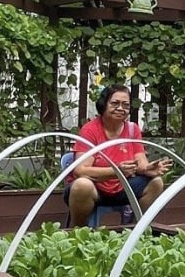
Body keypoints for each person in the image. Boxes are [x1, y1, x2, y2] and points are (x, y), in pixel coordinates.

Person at [65, 84, 172, 227]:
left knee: (156, 183)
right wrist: (116, 171)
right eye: (115, 103)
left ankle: (136, 229)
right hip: (95, 189)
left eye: (125, 105)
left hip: (123, 187)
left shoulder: (132, 129)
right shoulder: (90, 130)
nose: (121, 108)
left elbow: (140, 162)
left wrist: (148, 169)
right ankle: (78, 230)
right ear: (103, 104)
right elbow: (80, 170)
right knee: (81, 185)